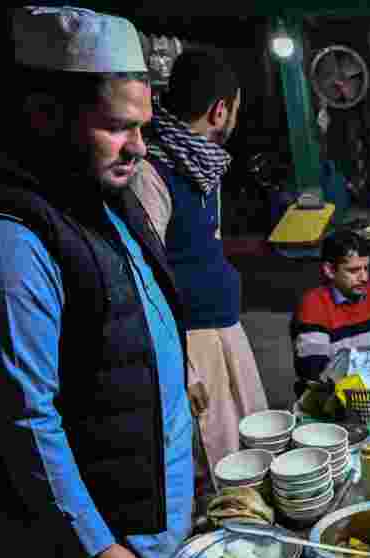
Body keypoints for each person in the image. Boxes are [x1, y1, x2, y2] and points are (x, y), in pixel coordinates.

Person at [0, 7, 192, 558]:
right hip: (109, 545)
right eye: (116, 126)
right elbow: (25, 415)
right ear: (46, 114)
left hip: (158, 516)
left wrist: (174, 374)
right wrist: (97, 547)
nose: (137, 146)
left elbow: (128, 315)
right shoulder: (16, 234)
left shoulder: (108, 199)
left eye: (142, 127)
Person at [129, 50, 269, 491]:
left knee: (255, 443)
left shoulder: (205, 167)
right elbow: (142, 276)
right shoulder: (152, 171)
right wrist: (182, 369)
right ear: (220, 110)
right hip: (192, 339)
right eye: (235, 110)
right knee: (215, 457)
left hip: (225, 328)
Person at [291, 231, 370, 397]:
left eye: (366, 268)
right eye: (353, 270)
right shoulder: (313, 307)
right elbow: (316, 372)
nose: (364, 277)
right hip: (330, 398)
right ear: (329, 270)